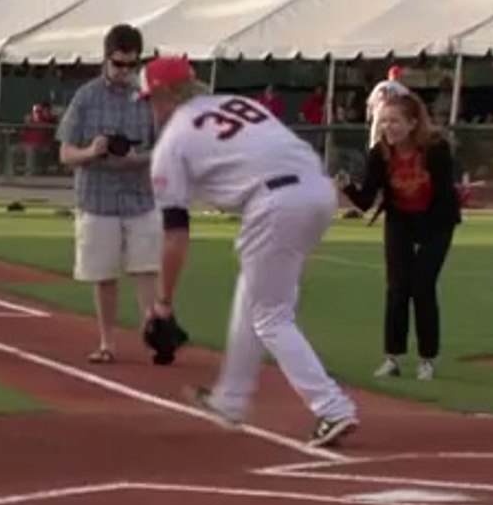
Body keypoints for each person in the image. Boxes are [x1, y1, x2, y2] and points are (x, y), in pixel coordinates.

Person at [141, 56, 359, 448]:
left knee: (270, 315)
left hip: (274, 202)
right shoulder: (237, 104)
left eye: (150, 98)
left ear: (165, 95)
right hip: (319, 191)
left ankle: (332, 407)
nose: (149, 107)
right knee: (257, 294)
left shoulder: (173, 140)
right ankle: (231, 398)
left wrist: (162, 303)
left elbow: (175, 236)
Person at [337, 94, 461, 382]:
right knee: (396, 289)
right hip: (400, 220)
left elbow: (444, 194)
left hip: (436, 222)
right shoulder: (380, 153)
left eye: (395, 121)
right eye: (383, 121)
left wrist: (425, 239)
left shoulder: (435, 150)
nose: (388, 127)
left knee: (423, 286)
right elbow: (367, 200)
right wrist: (347, 188)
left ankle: (427, 360)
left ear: (412, 123)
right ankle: (392, 357)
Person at [56, 24, 161, 364]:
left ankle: (154, 336)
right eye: (118, 64)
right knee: (103, 274)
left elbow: (166, 151)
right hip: (97, 196)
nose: (124, 72)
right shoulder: (86, 97)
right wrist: (91, 151)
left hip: (139, 195)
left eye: (131, 65)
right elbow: (66, 153)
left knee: (146, 269)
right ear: (105, 60)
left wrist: (135, 159)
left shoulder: (149, 98)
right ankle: (107, 342)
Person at [366, 65, 409, 148]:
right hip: (393, 120)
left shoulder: (379, 85)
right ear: (399, 77)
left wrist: (369, 120)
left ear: (389, 76)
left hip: (378, 117)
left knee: (375, 144)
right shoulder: (403, 89)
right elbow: (408, 107)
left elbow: (369, 104)